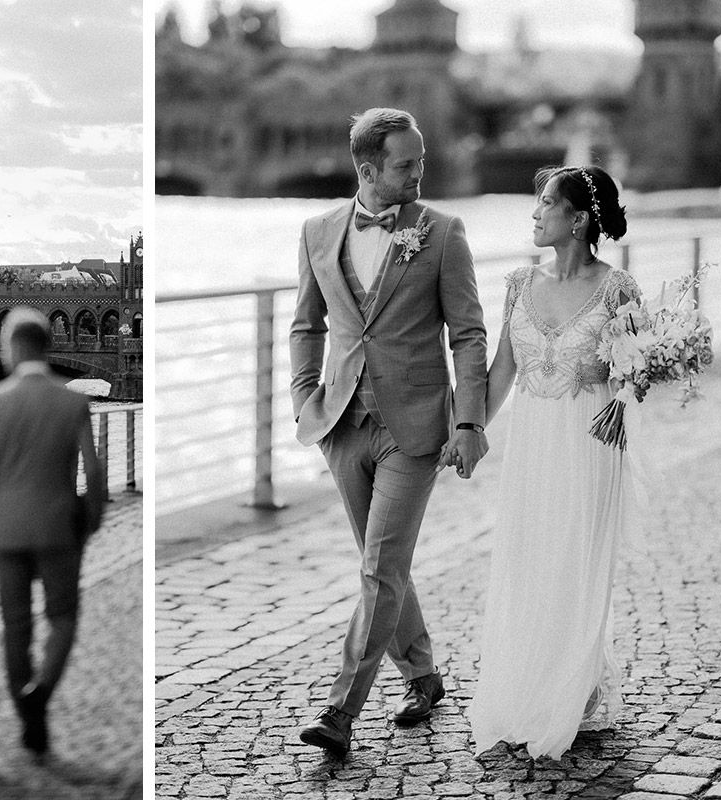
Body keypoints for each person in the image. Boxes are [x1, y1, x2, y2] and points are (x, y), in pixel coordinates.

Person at [291, 107, 489, 759]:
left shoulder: (442, 232)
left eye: (423, 160)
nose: (420, 173)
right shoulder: (317, 232)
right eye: (407, 165)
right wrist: (303, 400)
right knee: (385, 566)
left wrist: (468, 421)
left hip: (416, 429)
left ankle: (341, 711)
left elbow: (467, 332)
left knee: (380, 567)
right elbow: (306, 326)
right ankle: (424, 677)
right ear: (368, 169)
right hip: (343, 425)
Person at [466, 165, 640, 760]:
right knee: (530, 555)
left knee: (575, 558)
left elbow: (634, 370)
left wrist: (623, 397)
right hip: (533, 444)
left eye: (545, 203)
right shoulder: (519, 283)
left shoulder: (619, 291)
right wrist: (466, 435)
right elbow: (500, 376)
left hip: (590, 442)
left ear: (579, 219)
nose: (534, 214)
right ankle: (530, 684)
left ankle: (576, 688)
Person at [0, 306, 105, 756]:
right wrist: (90, 521)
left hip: (6, 530)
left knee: (15, 626)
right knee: (62, 618)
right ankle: (40, 694)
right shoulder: (73, 401)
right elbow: (94, 472)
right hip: (59, 526)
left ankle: (28, 714)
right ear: (47, 345)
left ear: (13, 346)